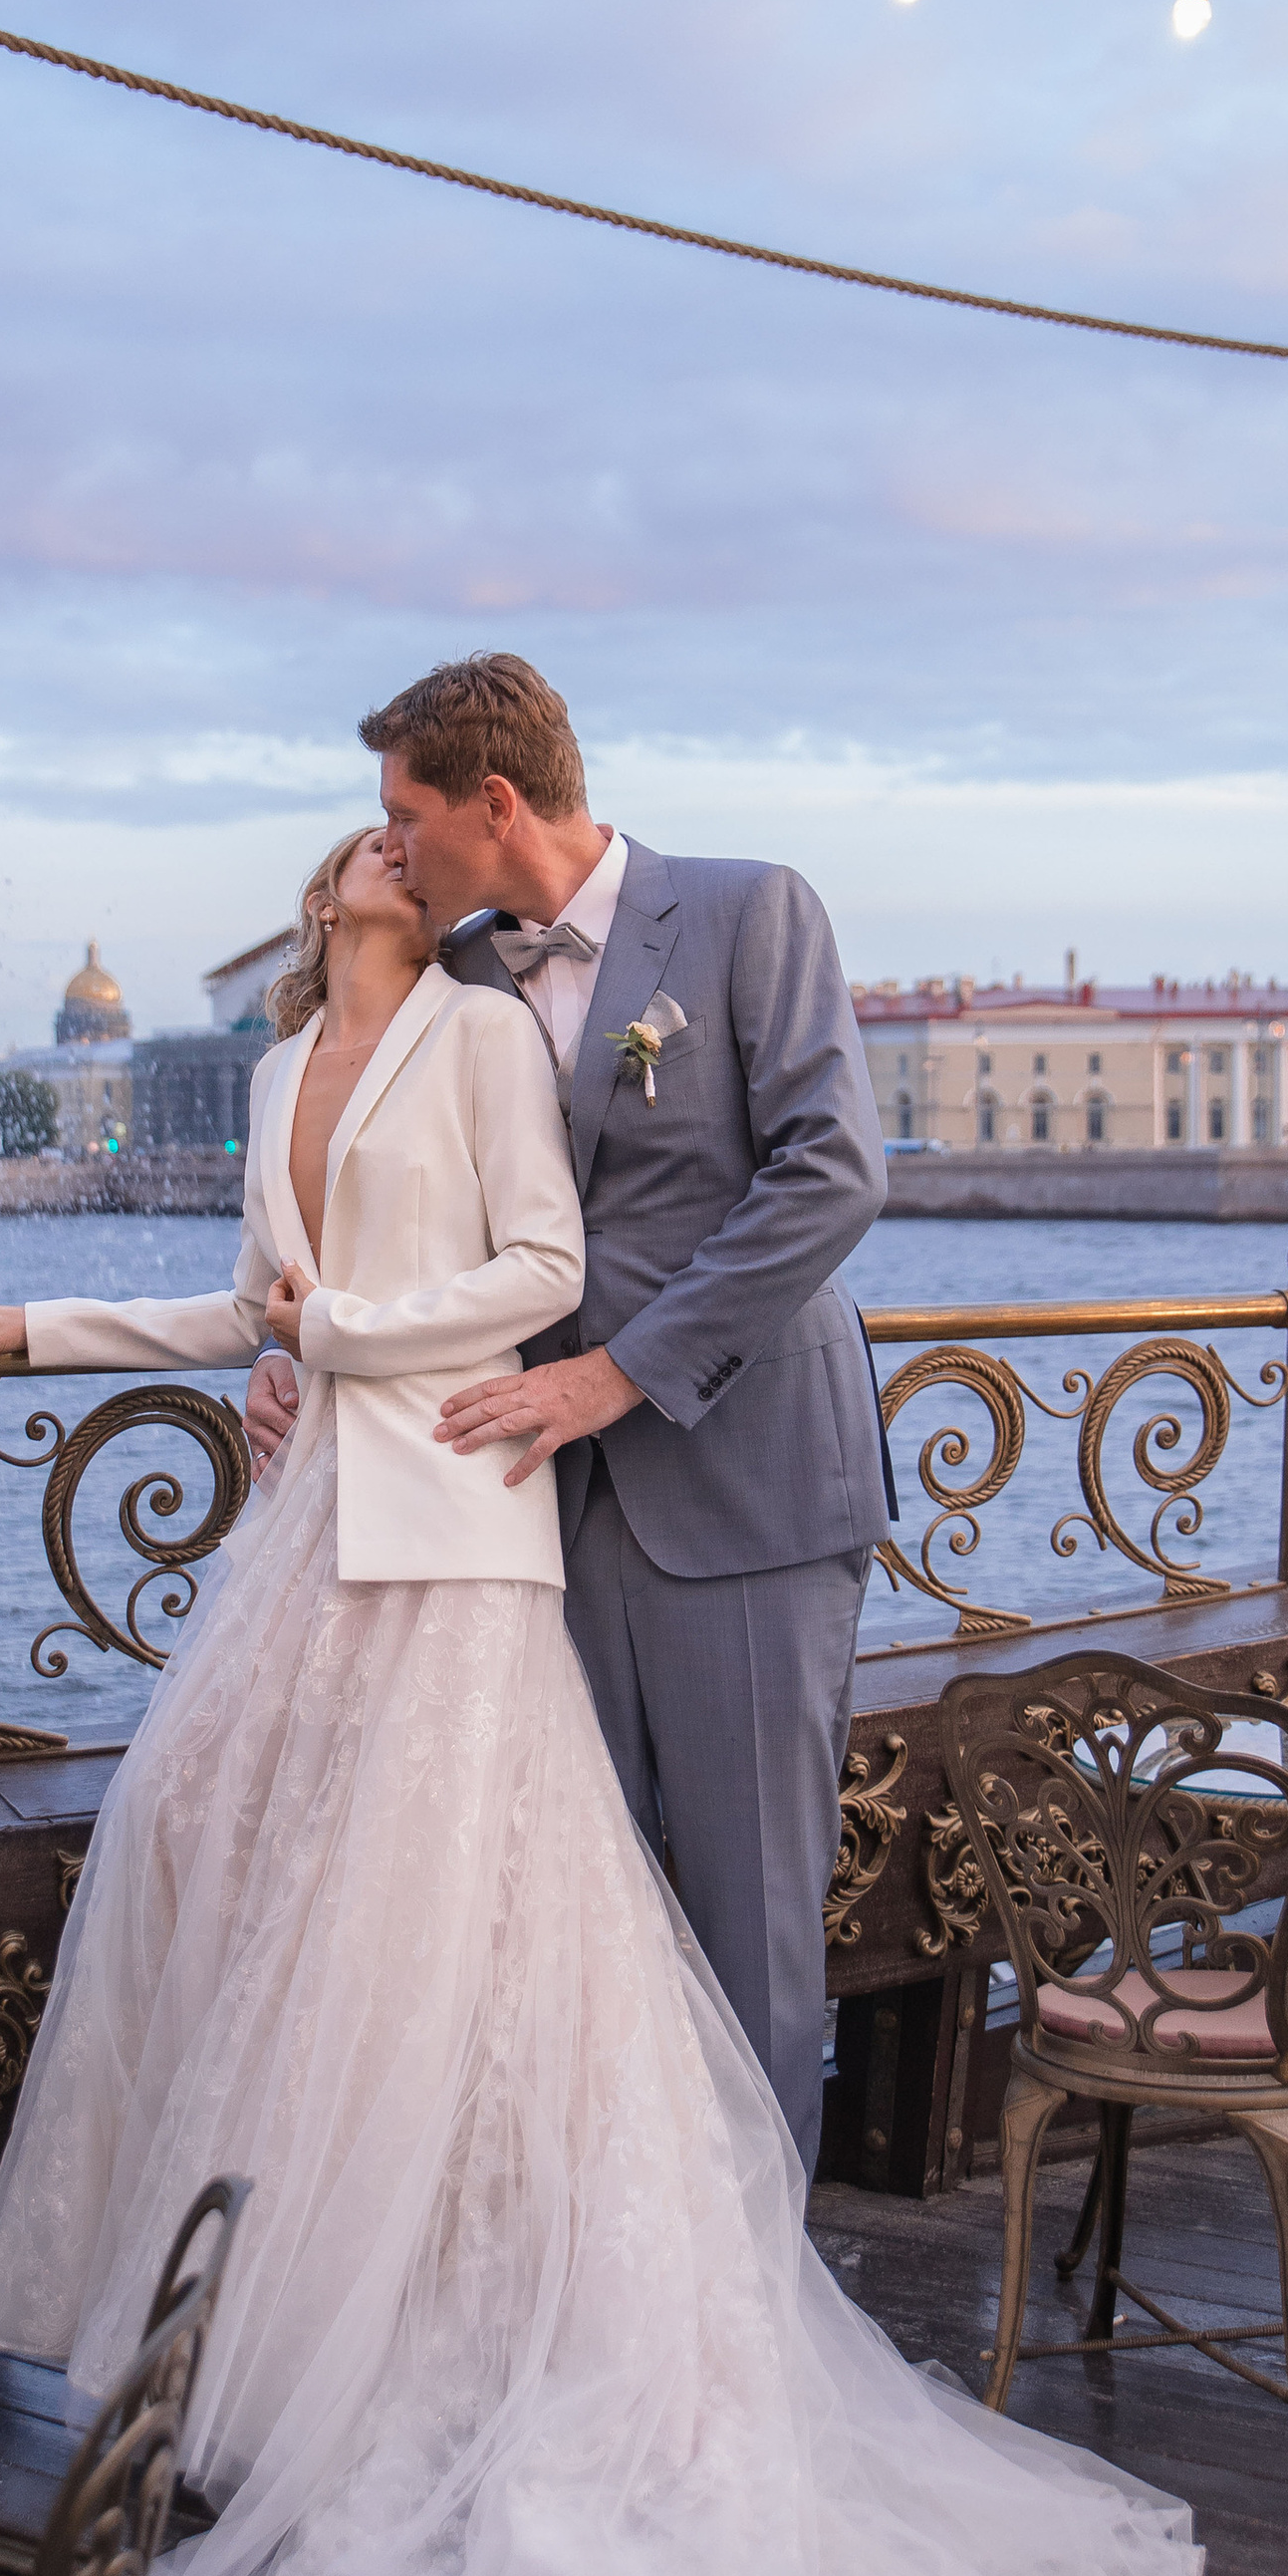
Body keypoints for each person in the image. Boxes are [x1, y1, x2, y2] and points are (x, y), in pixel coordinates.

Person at [0, 815, 1200, 2576]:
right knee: (244, 1886)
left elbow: (542, 1272)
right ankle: (283, 2329)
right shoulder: (274, 1075)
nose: (365, 847)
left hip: (473, 1514)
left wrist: (331, 1337)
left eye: (394, 821)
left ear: (441, 859)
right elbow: (258, 1290)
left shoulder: (494, 1025)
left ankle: (594, 2349)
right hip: (322, 1532)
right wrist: (62, 1321)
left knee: (515, 1937)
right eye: (355, 835)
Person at [248, 652, 890, 2175]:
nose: (388, 845)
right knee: (575, 1940)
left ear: (496, 800)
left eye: (406, 812)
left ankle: (756, 2323)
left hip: (740, 1496)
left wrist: (620, 1372)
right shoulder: (456, 981)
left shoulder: (750, 912)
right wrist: (291, 1355)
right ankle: (605, 2285)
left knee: (747, 1931)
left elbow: (832, 1174)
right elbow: (390, 1224)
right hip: (532, 1511)